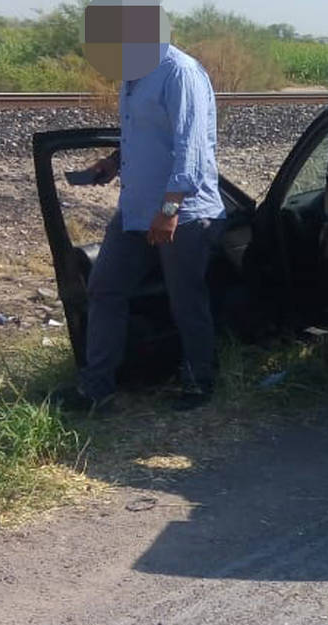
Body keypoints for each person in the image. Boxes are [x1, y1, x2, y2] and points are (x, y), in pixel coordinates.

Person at [61, 44, 225, 413]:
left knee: (186, 300)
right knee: (104, 288)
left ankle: (200, 380)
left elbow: (191, 151)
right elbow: (147, 136)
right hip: (135, 210)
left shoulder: (180, 73)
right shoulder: (132, 76)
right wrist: (115, 161)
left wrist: (169, 211)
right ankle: (96, 389)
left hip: (183, 213)